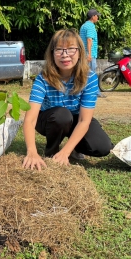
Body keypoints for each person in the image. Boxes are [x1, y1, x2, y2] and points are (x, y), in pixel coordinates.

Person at [22, 28, 113, 169]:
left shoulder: (90, 78)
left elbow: (84, 120)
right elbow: (30, 118)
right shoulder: (43, 78)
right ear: (52, 54)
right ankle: (52, 152)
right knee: (62, 115)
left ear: (80, 52)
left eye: (71, 49)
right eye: (59, 50)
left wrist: (67, 151)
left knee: (102, 146)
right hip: (49, 118)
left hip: (76, 118)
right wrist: (31, 151)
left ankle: (73, 149)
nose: (65, 55)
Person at [79, 8, 106, 98]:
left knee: (86, 73)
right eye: (97, 15)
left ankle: (85, 91)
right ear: (93, 16)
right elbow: (89, 40)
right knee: (92, 74)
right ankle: (96, 92)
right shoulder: (90, 26)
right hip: (89, 54)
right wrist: (89, 54)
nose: (98, 17)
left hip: (83, 54)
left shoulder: (83, 26)